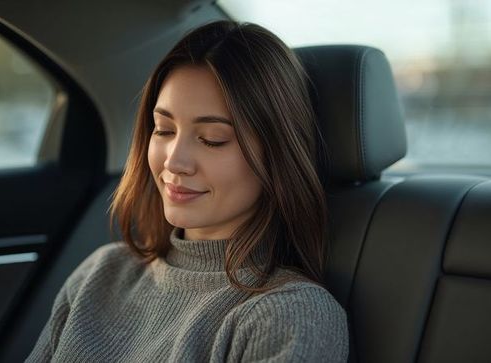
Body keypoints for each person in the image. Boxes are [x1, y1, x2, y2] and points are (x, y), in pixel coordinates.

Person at [26, 20, 348, 362]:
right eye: (164, 130)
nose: (174, 161)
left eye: (212, 139)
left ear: (277, 153)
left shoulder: (287, 315)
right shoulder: (100, 274)